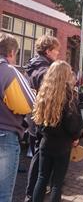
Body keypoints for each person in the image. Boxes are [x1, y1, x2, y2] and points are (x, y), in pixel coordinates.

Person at [32, 60, 83, 202]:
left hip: (46, 142)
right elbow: (73, 123)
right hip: (63, 145)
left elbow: (37, 121)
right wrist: (76, 137)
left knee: (41, 178)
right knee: (57, 183)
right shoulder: (70, 96)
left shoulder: (44, 93)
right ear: (65, 75)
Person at [24, 35, 60, 202]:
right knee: (39, 158)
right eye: (56, 50)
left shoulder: (34, 65)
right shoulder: (45, 70)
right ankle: (31, 194)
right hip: (41, 119)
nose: (58, 53)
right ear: (48, 51)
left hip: (32, 118)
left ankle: (33, 191)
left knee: (37, 155)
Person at [0, 32, 35, 202]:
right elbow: (28, 104)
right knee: (3, 195)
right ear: (12, 53)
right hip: (4, 136)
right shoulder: (9, 72)